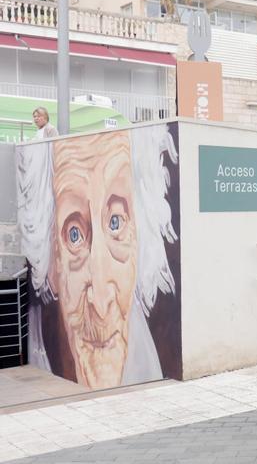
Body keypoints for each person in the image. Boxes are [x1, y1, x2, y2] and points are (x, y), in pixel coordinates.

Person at [16, 124, 179, 389]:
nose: (100, 304)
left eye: (116, 222)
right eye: (74, 235)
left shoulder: (151, 361)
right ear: (52, 263)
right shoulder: (35, 353)